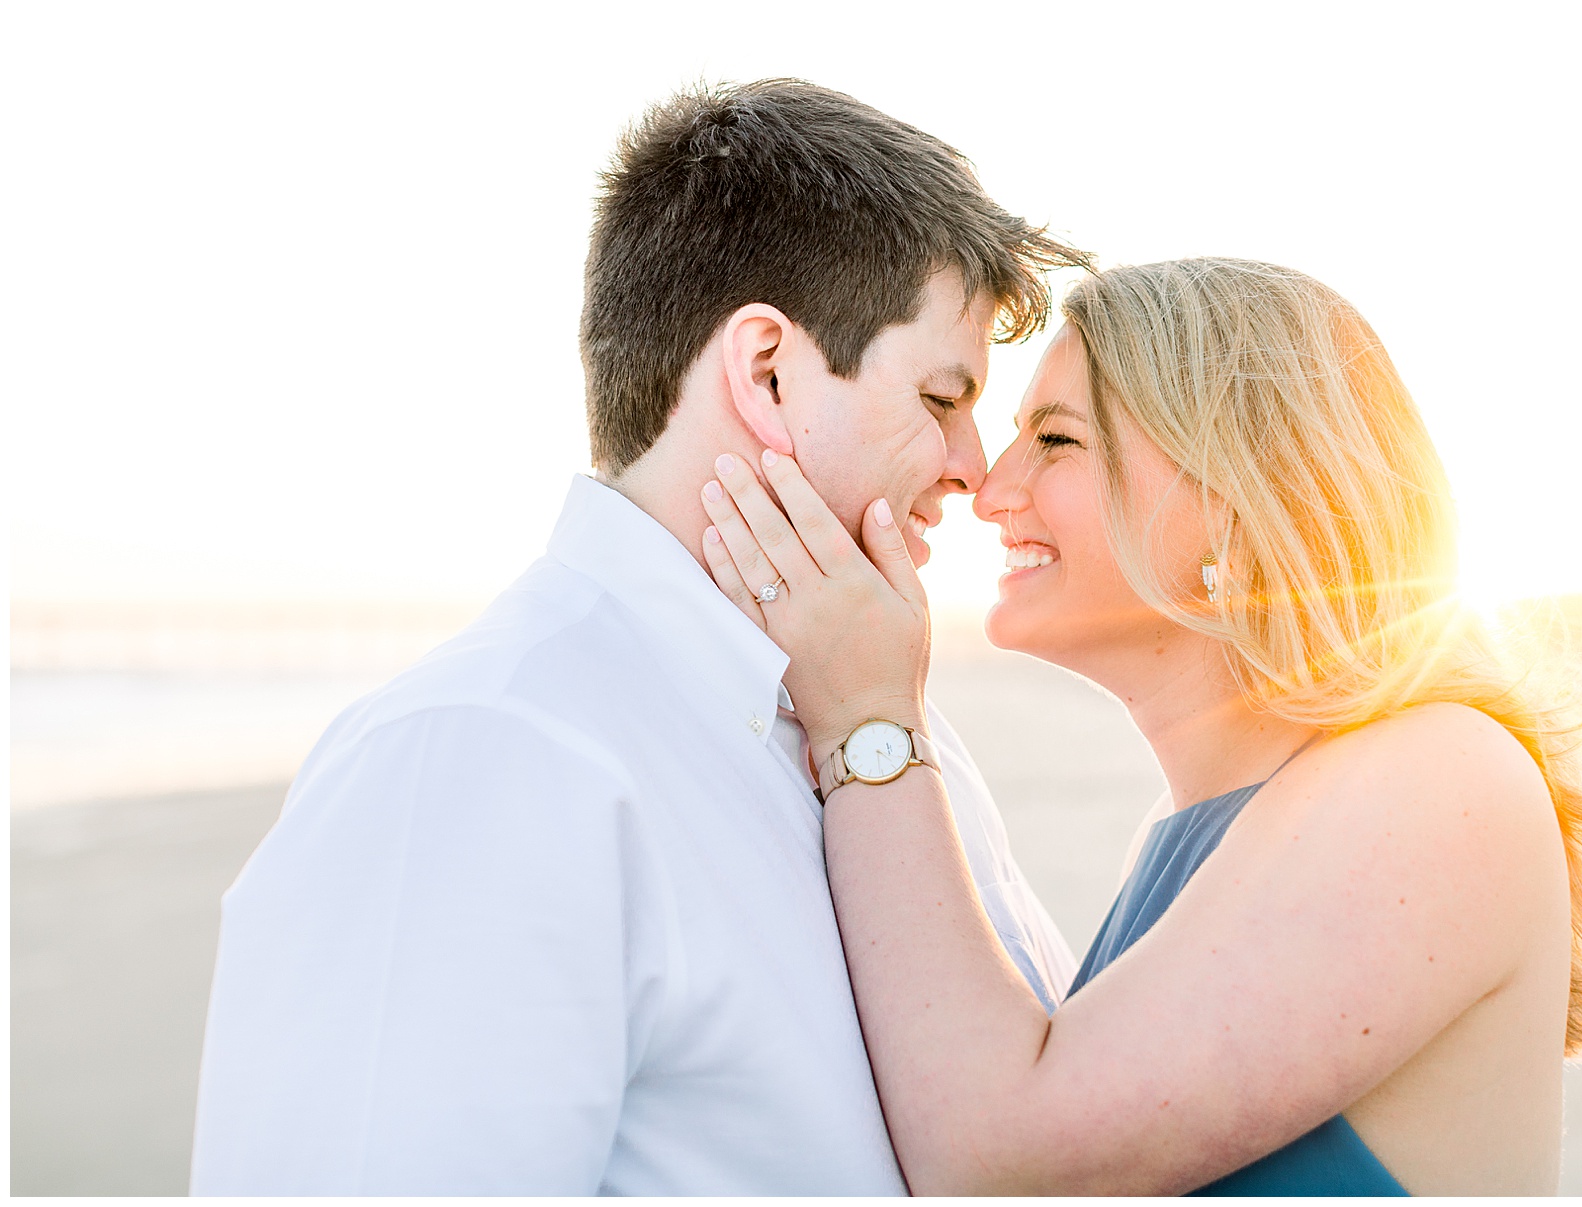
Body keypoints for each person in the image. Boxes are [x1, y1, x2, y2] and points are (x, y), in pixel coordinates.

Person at [189, 79, 1089, 1195]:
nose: (972, 467)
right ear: (768, 370)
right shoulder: (479, 760)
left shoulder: (891, 732)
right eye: (943, 398)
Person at [696, 257, 1582, 1195]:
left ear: (1240, 501)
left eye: (1056, 440)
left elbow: (1000, 1161)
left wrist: (869, 718)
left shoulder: (1444, 780)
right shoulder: (1201, 841)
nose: (992, 490)